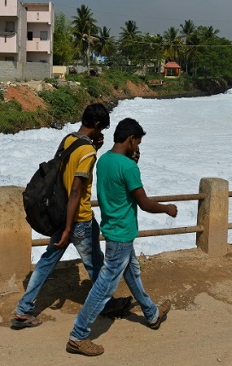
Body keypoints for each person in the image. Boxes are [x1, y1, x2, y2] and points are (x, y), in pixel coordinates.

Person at [11, 103, 132, 329]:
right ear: (96, 124)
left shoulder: (69, 140)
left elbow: (66, 174)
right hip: (78, 218)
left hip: (61, 213)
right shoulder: (86, 152)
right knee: (97, 265)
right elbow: (77, 189)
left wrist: (93, 147)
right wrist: (69, 229)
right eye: (102, 128)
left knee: (47, 262)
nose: (102, 132)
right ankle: (105, 306)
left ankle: (24, 309)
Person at [66, 118, 178, 356]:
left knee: (132, 272)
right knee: (104, 286)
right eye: (137, 143)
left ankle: (152, 314)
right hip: (121, 233)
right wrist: (167, 208)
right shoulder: (128, 167)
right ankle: (78, 335)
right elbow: (144, 203)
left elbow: (116, 186)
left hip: (112, 228)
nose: (137, 147)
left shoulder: (104, 160)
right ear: (130, 139)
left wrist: (131, 161)